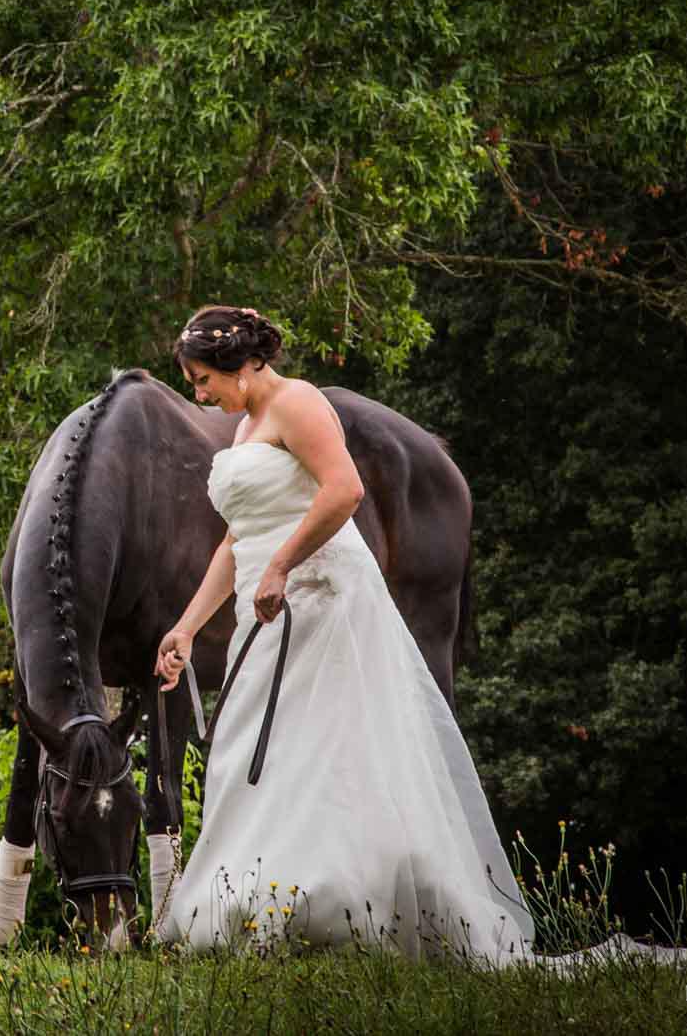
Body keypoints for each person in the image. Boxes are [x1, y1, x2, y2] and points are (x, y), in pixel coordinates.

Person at [151, 303, 536, 960]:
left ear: (242, 364)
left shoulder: (297, 403)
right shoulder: (245, 426)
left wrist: (281, 564)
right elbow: (235, 537)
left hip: (320, 595)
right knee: (254, 748)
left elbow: (344, 490)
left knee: (326, 746)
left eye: (202, 380)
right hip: (266, 600)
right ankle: (265, 899)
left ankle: (348, 903)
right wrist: (184, 627)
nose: (199, 394)